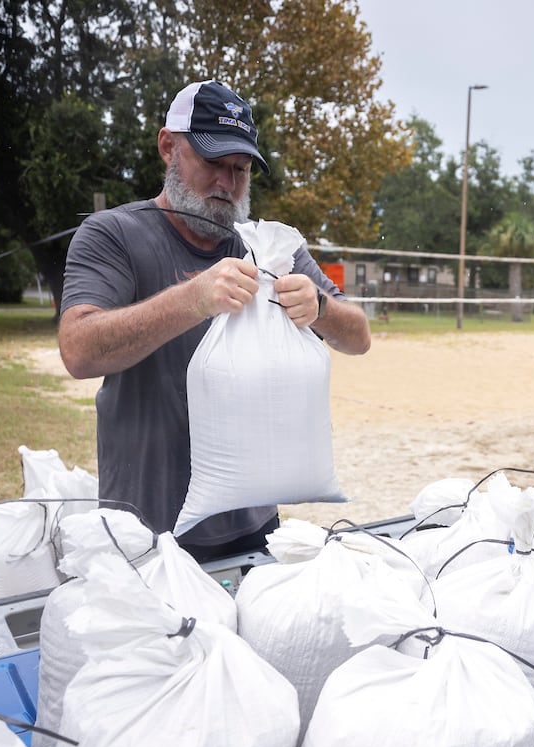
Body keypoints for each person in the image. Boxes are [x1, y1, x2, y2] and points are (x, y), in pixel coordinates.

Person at [57, 80, 371, 561]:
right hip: (146, 534)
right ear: (169, 147)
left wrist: (321, 309)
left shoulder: (269, 248)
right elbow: (78, 349)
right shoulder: (113, 234)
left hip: (254, 528)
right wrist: (193, 299)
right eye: (212, 163)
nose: (227, 183)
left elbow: (359, 338)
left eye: (240, 169)